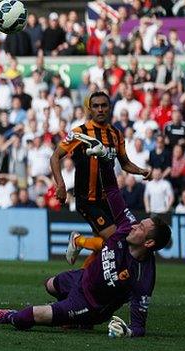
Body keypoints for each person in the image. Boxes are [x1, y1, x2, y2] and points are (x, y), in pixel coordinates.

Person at [0, 154, 172, 338]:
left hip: (89, 305)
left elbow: (139, 327)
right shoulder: (126, 227)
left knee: (29, 316)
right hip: (82, 278)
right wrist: (105, 160)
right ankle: (73, 319)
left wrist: (127, 332)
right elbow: (112, 190)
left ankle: (9, 316)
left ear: (149, 243)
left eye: (141, 228)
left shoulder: (143, 277)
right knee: (50, 284)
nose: (135, 225)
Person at [50, 91, 150, 267]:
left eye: (104, 105)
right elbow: (55, 157)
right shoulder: (80, 133)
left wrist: (141, 171)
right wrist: (60, 184)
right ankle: (78, 241)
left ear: (110, 108)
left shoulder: (116, 134)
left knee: (104, 248)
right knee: (115, 241)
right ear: (90, 109)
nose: (100, 109)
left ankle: (81, 280)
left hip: (107, 200)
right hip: (87, 199)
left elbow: (124, 163)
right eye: (96, 106)